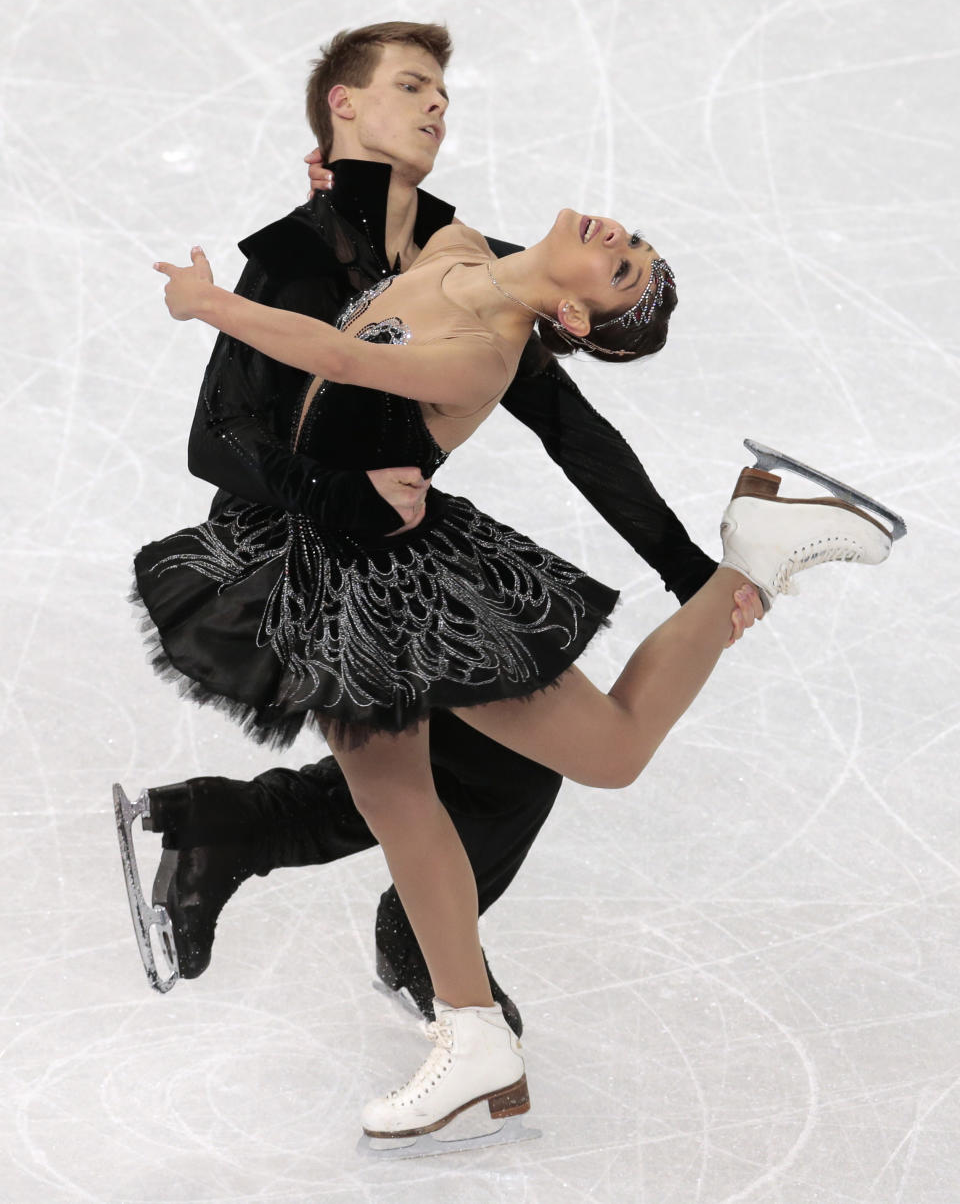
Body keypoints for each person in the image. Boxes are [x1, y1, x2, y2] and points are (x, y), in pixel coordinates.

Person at [145, 198, 897, 1144]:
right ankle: (471, 1032)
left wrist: (208, 303)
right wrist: (338, 189)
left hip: (385, 580)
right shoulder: (458, 249)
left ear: (572, 321)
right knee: (401, 797)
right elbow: (377, 225)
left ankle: (755, 553)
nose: (623, 238)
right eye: (635, 241)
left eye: (623, 268)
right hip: (334, 548)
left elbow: (338, 358)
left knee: (580, 759)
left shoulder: (484, 354)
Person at [123, 21, 725, 1034]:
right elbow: (218, 437)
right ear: (345, 108)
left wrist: (687, 568)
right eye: (412, 86)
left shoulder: (459, 248)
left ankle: (254, 839)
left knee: (489, 762)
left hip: (403, 548)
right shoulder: (298, 256)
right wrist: (339, 498)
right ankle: (411, 947)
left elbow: (572, 427)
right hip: (299, 552)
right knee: (450, 769)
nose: (438, 103)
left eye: (442, 89)